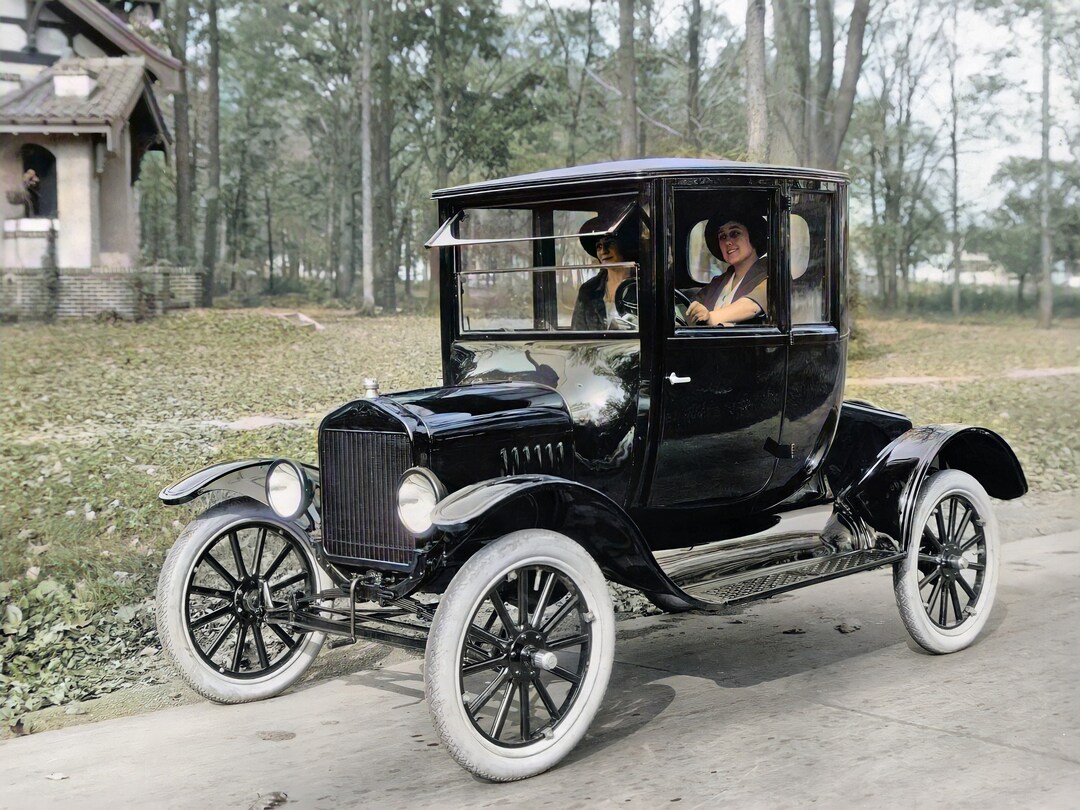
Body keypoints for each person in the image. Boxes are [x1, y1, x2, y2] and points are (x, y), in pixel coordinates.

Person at [685, 205, 768, 327]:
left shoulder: (772, 273)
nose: (727, 242)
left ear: (753, 235)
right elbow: (689, 308)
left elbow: (752, 307)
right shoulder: (718, 282)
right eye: (722, 237)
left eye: (735, 233)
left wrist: (711, 317)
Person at [571, 215, 639, 331]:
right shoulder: (588, 290)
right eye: (599, 246)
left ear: (624, 245)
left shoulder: (644, 287)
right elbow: (577, 335)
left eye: (610, 243)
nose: (603, 251)